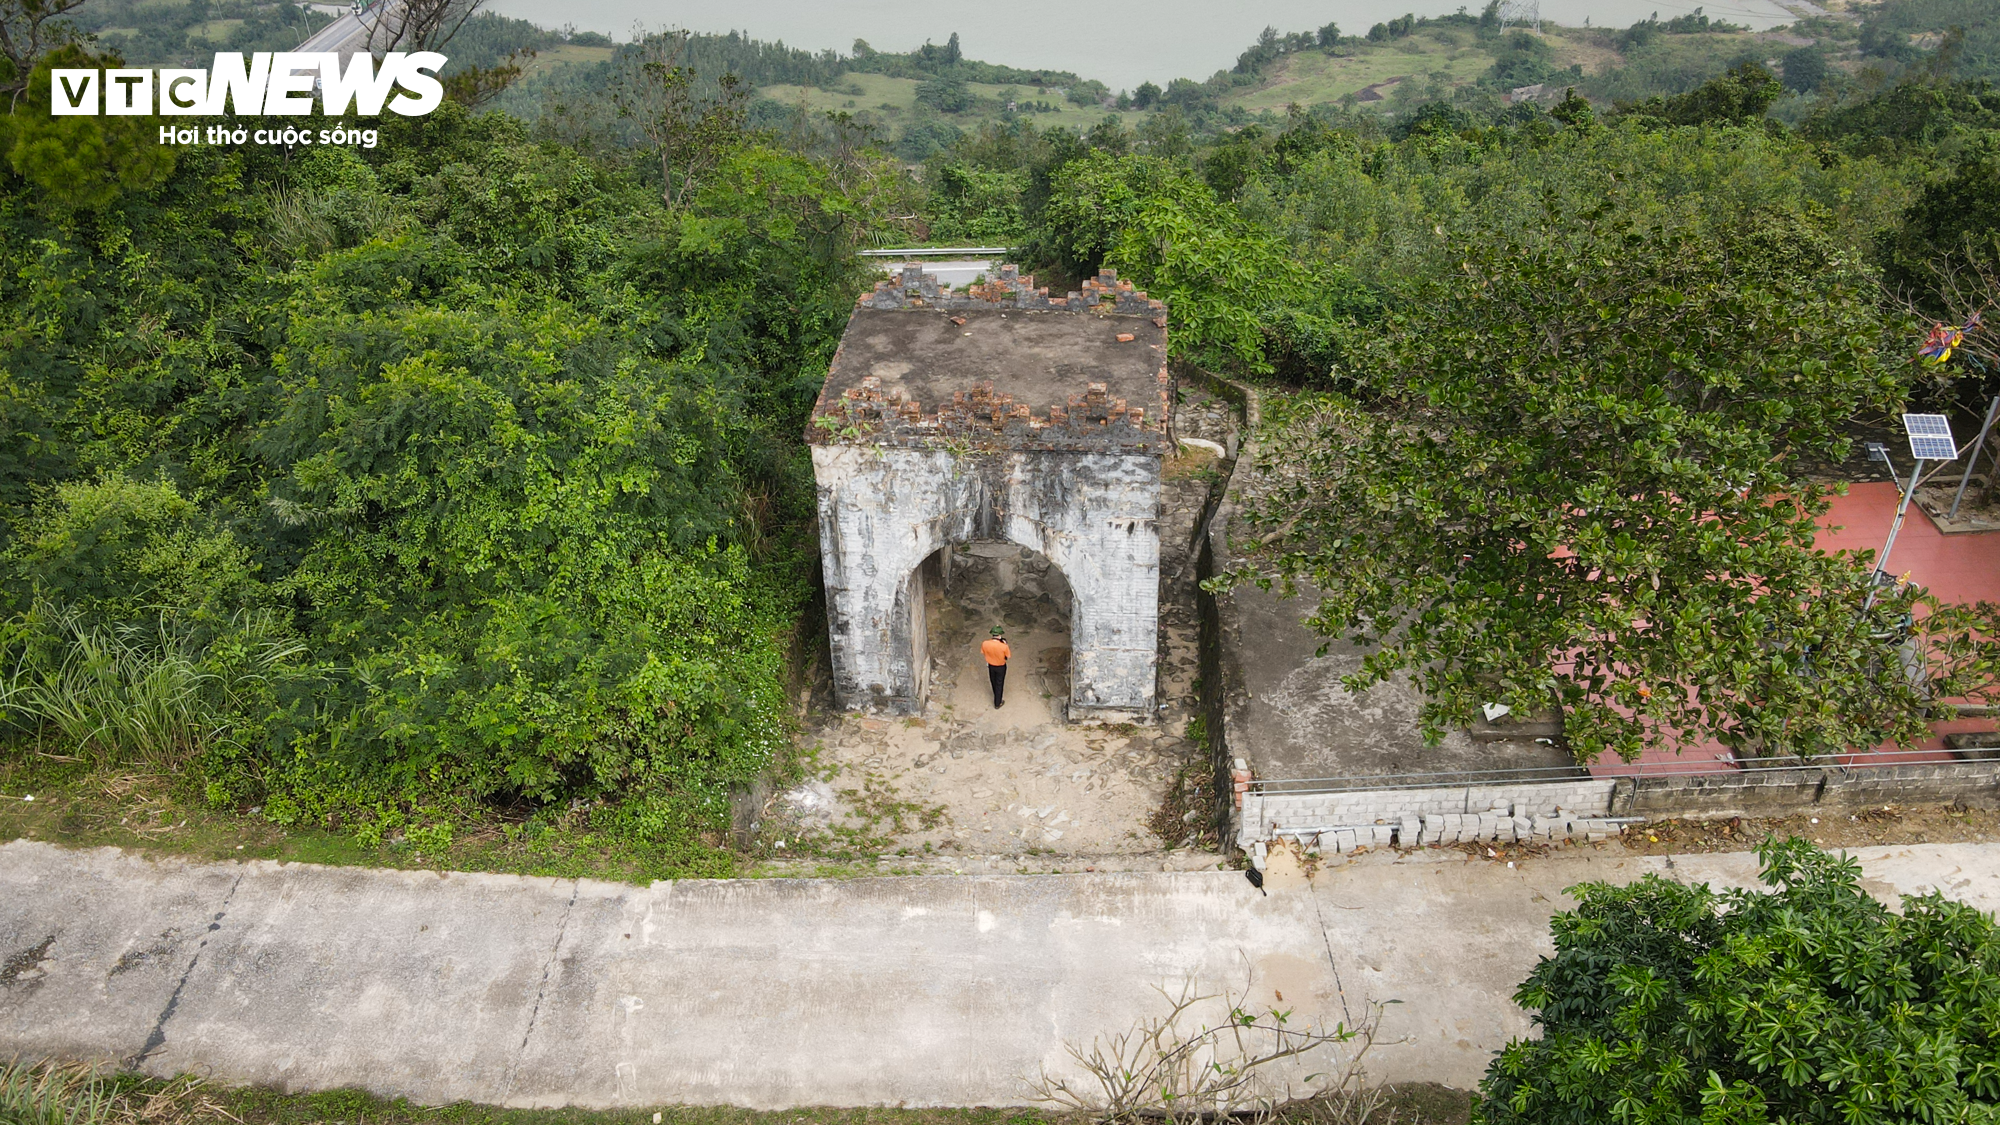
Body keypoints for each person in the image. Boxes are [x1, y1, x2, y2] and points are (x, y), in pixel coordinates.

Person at [981, 626, 1010, 708]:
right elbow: (1007, 656)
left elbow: (983, 652)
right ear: (1000, 635)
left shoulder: (985, 643)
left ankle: (996, 694)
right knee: (999, 683)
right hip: (1000, 666)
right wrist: (1005, 644)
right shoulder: (1004, 646)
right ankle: (998, 702)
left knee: (993, 681)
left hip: (991, 665)